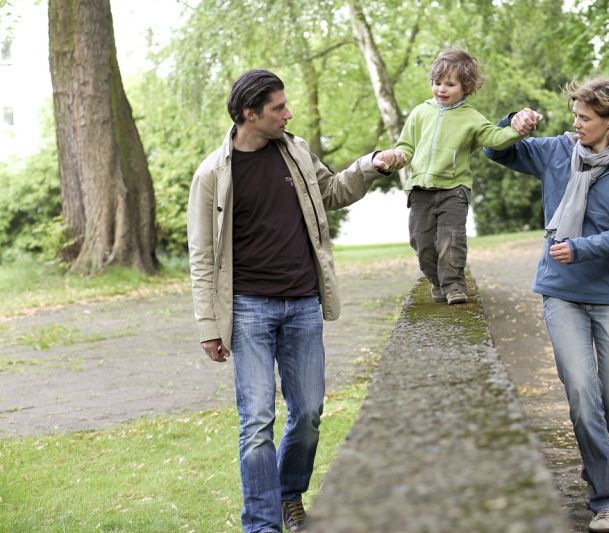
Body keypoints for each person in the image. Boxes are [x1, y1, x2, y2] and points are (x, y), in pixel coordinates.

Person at [187, 69, 403, 533]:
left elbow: (331, 192)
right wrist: (209, 325)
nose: (288, 114)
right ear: (250, 114)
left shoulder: (297, 151)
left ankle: (289, 494)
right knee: (257, 421)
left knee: (307, 414)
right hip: (248, 310)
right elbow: (202, 254)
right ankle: (262, 523)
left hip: (303, 304)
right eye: (278, 108)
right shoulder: (212, 174)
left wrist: (373, 166)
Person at [484, 77, 609, 532]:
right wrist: (512, 126)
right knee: (582, 392)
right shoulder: (558, 150)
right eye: (575, 115)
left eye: (585, 118)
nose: (575, 124)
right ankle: (608, 498)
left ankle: (597, 463)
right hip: (562, 292)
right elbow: (495, 152)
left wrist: (579, 247)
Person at [393, 47, 525, 305]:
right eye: (437, 82)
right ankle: (437, 282)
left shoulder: (472, 118)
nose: (441, 89)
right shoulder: (420, 113)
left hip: (454, 190)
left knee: (451, 240)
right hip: (420, 189)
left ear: (466, 87)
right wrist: (397, 156)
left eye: (449, 84)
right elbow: (406, 146)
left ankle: (454, 285)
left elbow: (496, 138)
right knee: (422, 243)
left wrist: (518, 130)